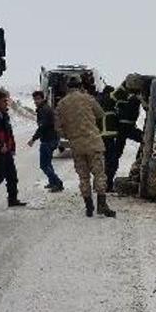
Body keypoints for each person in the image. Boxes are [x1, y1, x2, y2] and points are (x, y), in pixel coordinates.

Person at [55, 78, 116, 218]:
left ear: (68, 87)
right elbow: (100, 114)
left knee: (83, 177)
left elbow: (58, 128)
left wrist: (70, 135)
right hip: (93, 142)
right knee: (99, 174)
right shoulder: (88, 98)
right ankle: (102, 205)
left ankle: (89, 207)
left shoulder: (61, 104)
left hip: (76, 145)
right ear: (80, 86)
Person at [27, 91, 64, 193]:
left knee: (43, 165)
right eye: (35, 99)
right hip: (51, 138)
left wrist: (33, 139)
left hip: (48, 140)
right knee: (47, 163)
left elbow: (42, 127)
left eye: (38, 99)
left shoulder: (44, 110)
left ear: (43, 98)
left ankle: (58, 183)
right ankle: (52, 182)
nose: (36, 101)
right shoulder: (45, 108)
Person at [97, 85, 120, 192]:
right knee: (111, 162)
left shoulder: (98, 102)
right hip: (108, 137)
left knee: (102, 163)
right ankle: (107, 185)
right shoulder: (109, 101)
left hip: (100, 137)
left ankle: (100, 184)